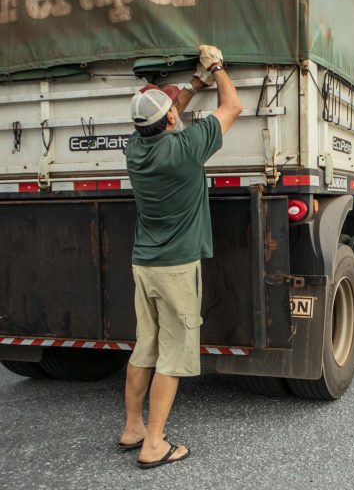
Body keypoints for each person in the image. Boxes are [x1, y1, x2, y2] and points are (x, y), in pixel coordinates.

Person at [117, 45, 243, 469]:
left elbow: (164, 114)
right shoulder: (186, 149)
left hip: (144, 265)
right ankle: (154, 444)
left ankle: (133, 427)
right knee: (171, 356)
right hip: (176, 268)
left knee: (144, 349)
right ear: (170, 120)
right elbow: (234, 106)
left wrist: (194, 84)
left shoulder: (135, 150)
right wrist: (218, 67)